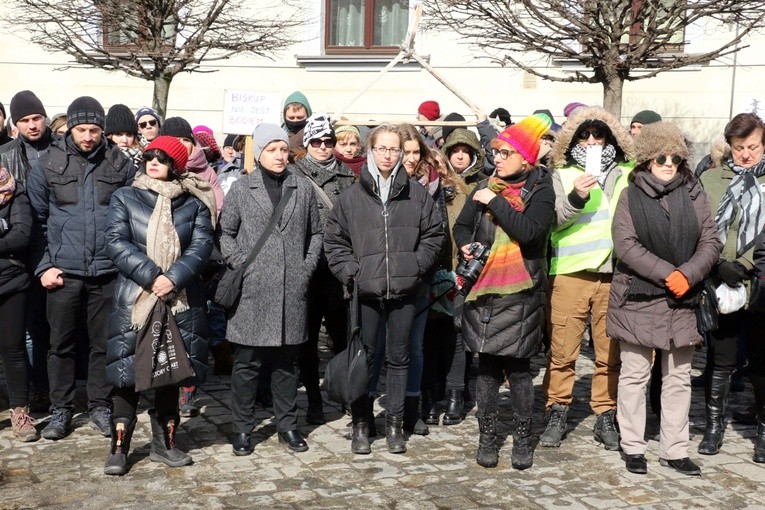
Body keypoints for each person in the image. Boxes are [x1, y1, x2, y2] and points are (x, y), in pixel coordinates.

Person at [323, 123, 444, 455]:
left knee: (399, 358)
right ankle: (362, 425)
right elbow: (334, 241)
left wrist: (416, 266)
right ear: (370, 151)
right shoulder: (351, 196)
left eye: (395, 149)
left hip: (406, 291)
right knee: (366, 357)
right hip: (367, 292)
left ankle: (394, 425)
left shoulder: (416, 194)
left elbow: (435, 235)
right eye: (383, 148)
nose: (389, 155)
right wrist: (352, 272)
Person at [608, 122, 720, 476]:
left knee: (678, 376)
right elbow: (625, 244)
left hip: (684, 298)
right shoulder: (630, 196)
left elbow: (711, 241)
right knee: (635, 374)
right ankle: (633, 446)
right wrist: (665, 273)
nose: (669, 163)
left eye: (675, 157)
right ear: (647, 160)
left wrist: (687, 274)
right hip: (639, 296)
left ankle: (674, 449)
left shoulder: (694, 192)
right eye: (661, 156)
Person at [103, 136, 215, 475]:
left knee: (169, 368)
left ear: (176, 166)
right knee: (126, 372)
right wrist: (152, 276)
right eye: (150, 156)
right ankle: (119, 448)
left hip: (178, 300)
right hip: (135, 296)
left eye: (162, 158)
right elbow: (116, 241)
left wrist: (174, 278)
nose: (153, 162)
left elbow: (202, 245)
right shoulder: (126, 196)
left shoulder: (193, 205)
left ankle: (165, 444)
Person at [27, 96, 136, 440]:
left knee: (103, 344)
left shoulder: (120, 164)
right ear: (70, 128)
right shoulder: (47, 164)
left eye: (93, 130)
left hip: (107, 272)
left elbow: (131, 219)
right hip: (63, 272)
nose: (87, 136)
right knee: (61, 345)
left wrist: (124, 264)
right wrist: (44, 265)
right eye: (80, 129)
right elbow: (35, 222)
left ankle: (100, 406)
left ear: (102, 130)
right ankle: (61, 411)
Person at [453, 114, 555, 469]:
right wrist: (466, 244)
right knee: (486, 367)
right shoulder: (485, 184)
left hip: (522, 289)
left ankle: (523, 438)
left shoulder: (541, 189)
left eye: (505, 154)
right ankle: (488, 436)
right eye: (495, 153)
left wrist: (494, 202)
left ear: (524, 159)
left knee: (519, 368)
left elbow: (530, 233)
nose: (497, 159)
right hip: (483, 287)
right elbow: (463, 225)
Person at [220, 123, 322, 456]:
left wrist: (304, 270)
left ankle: (288, 426)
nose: (279, 156)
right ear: (259, 152)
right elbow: (225, 234)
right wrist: (242, 266)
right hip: (253, 291)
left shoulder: (302, 187)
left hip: (291, 290)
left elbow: (315, 234)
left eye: (282, 149)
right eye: (271, 149)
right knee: (246, 366)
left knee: (285, 366)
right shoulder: (241, 188)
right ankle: (242, 430)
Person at [540, 106, 635, 451]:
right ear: (573, 139)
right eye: (585, 134)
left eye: (599, 135)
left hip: (615, 275)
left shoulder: (629, 171)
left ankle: (604, 414)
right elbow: (553, 221)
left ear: (610, 138)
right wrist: (578, 195)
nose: (592, 141)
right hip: (570, 273)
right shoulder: (561, 172)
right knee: (563, 350)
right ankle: (557, 408)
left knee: (609, 353)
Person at [365, 123, 441, 437]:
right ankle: (365, 412)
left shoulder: (428, 189)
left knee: (414, 348)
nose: (408, 158)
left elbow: (435, 235)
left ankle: (410, 409)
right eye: (403, 151)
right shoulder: (370, 187)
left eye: (412, 152)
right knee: (374, 348)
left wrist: (417, 265)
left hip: (415, 282)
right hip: (376, 282)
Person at [698, 112, 765, 461]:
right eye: (739, 148)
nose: (746, 155)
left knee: (760, 362)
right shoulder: (711, 178)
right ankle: (713, 427)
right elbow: (701, 227)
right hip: (721, 281)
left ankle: (763, 430)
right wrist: (719, 264)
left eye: (752, 147)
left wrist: (746, 264)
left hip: (760, 282)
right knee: (720, 359)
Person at [292, 113, 355, 425]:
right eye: (316, 141)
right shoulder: (295, 175)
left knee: (342, 339)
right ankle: (314, 402)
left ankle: (345, 394)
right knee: (306, 341)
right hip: (309, 269)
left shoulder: (348, 176)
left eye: (328, 141)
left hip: (340, 270)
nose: (323, 146)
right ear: (307, 144)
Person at [160, 116, 224, 415]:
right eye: (174, 140)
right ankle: (162, 385)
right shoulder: (152, 170)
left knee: (192, 330)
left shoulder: (205, 174)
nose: (181, 146)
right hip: (158, 264)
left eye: (186, 140)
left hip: (194, 262)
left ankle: (188, 389)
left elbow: (215, 212)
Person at [0, 90, 54, 412]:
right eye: (25, 120)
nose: (32, 125)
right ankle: (32, 389)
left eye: (36, 118)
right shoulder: (6, 154)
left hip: (53, 243)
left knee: (48, 325)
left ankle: (46, 388)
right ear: (15, 124)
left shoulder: (62, 148)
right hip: (19, 250)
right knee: (25, 331)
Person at [421, 149, 470, 428]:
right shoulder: (418, 196)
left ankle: (455, 397)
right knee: (427, 342)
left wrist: (461, 273)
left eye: (439, 163)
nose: (436, 168)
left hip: (455, 276)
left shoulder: (460, 195)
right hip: (426, 278)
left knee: (456, 338)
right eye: (430, 165)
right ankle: (428, 398)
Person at [0, 164, 38, 442]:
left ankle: (21, 411)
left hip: (10, 282)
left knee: (13, 349)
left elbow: (21, 236)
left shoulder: (16, 194)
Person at [282, 91, 312, 155]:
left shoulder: (317, 135)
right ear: (285, 117)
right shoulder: (278, 136)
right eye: (291, 118)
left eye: (300, 117)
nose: (295, 121)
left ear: (308, 116)